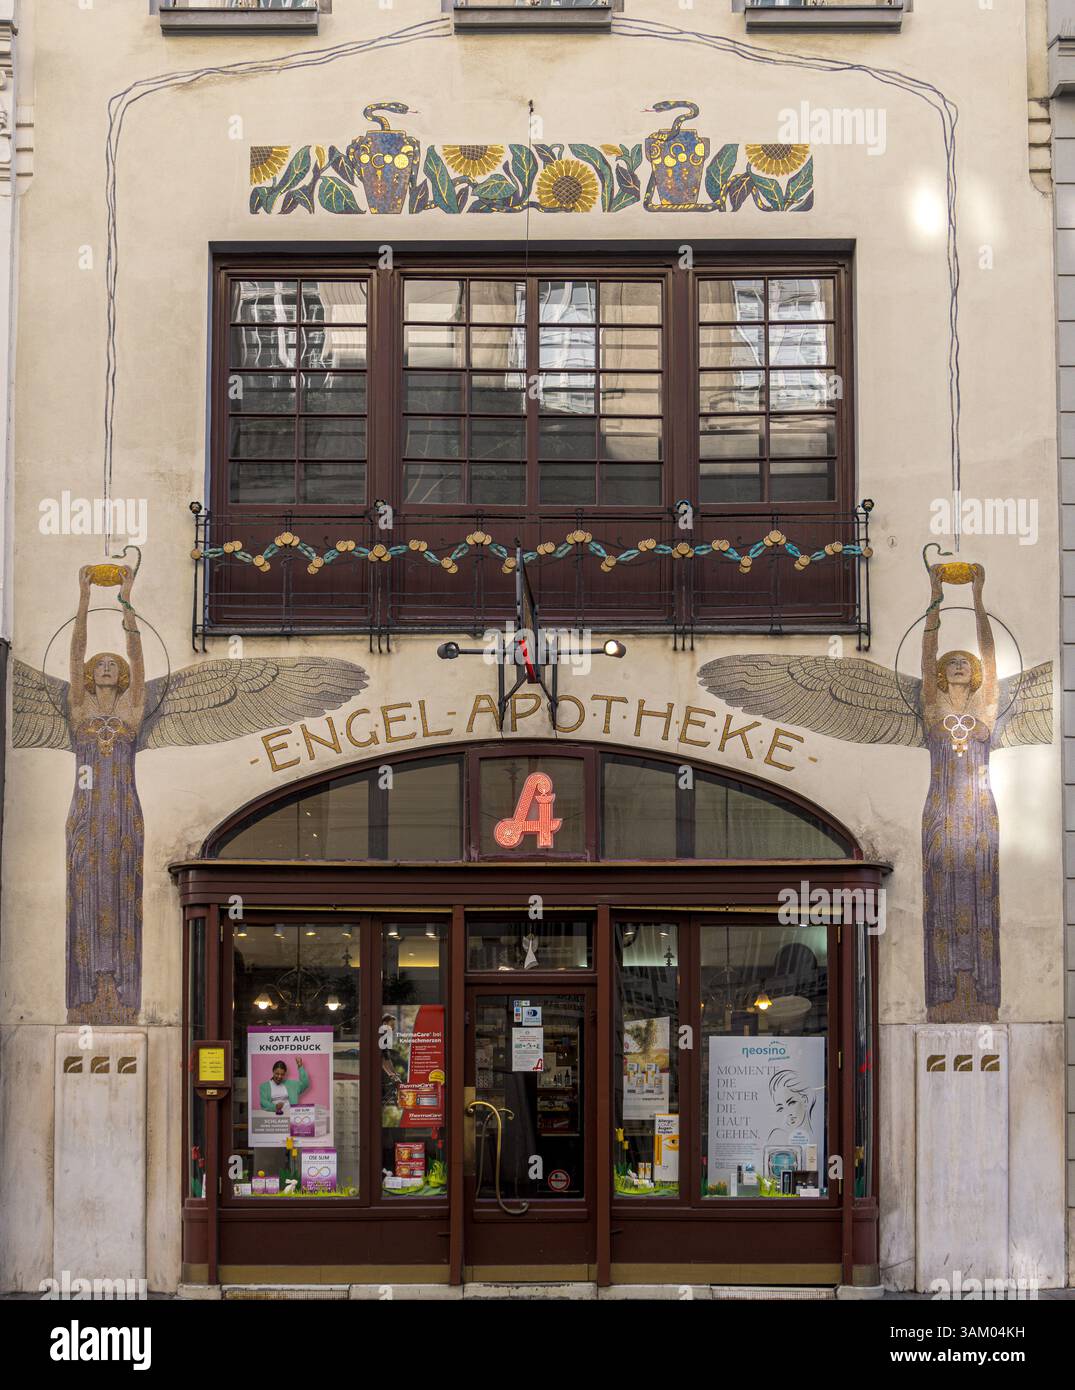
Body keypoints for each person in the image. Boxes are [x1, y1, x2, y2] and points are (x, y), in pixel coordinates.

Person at [66, 564, 145, 1024]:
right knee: (85, 889)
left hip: (123, 811)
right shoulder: (79, 705)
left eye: (116, 665)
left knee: (123, 889)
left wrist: (126, 598)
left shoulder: (134, 709)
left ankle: (119, 987)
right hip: (87, 810)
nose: (109, 667)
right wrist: (83, 596)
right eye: (102, 664)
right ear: (91, 674)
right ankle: (87, 987)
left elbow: (135, 645)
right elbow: (76, 648)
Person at [921, 564, 1000, 1021]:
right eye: (951, 661)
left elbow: (990, 655)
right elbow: (927, 646)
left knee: (983, 894)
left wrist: (977, 600)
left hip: (979, 812)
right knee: (939, 893)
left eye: (964, 663)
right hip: (940, 811)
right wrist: (935, 595)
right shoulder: (932, 705)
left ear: (972, 674)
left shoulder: (984, 705)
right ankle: (944, 990)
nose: (957, 664)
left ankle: (982, 992)